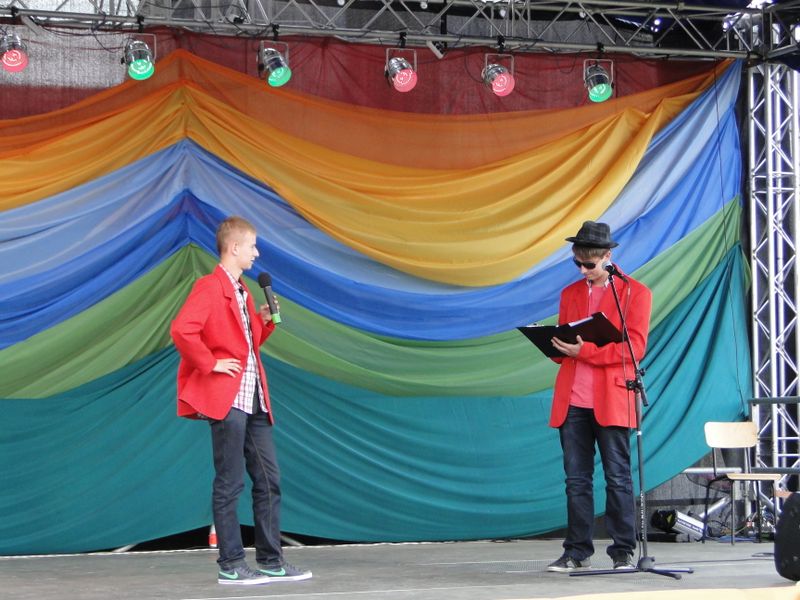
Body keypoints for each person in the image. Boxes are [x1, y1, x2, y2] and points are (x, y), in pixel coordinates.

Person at [171, 216, 311, 586]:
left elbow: (245, 348)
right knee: (230, 481)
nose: (256, 252)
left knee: (269, 479)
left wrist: (263, 322)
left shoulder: (244, 292)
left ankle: (271, 560)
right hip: (228, 400)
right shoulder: (209, 286)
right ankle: (231, 563)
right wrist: (210, 363)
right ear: (234, 247)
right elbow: (182, 330)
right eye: (251, 246)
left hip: (255, 399)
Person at [546, 221, 652, 573]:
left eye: (589, 264)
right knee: (576, 481)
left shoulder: (634, 293)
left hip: (612, 398)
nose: (582, 270)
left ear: (607, 256)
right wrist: (554, 345)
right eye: (577, 263)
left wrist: (585, 352)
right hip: (573, 400)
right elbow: (567, 347)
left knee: (618, 477)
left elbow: (634, 349)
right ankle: (576, 552)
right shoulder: (570, 294)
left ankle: (623, 552)